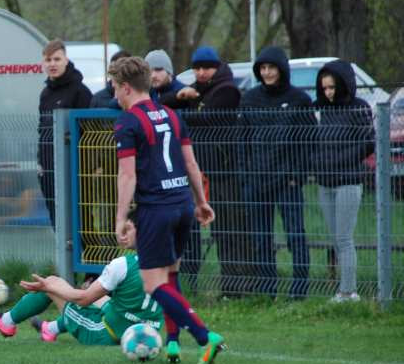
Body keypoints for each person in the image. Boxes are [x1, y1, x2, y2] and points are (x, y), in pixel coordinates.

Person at [110, 56, 224, 364]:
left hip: (156, 210)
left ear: (125, 88)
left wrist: (121, 218)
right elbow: (191, 164)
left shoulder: (128, 122)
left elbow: (128, 175)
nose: (114, 97)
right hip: (183, 204)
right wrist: (201, 202)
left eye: (115, 89)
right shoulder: (172, 116)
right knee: (171, 274)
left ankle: (206, 337)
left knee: (153, 284)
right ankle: (172, 343)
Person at [0, 221, 163, 348]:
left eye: (128, 228)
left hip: (104, 334)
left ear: (142, 231)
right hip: (144, 333)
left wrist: (52, 288)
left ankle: (6, 322)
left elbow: (83, 300)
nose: (123, 234)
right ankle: (49, 329)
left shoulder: (123, 264)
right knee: (98, 299)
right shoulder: (168, 262)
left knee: (53, 283)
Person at [160, 46, 248, 297]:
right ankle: (209, 285)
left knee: (229, 229)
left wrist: (185, 107)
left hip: (224, 169)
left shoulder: (226, 90)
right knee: (211, 230)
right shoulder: (200, 90)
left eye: (206, 68)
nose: (200, 72)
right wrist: (180, 98)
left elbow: (207, 117)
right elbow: (164, 103)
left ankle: (235, 286)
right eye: (196, 68)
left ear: (216, 67)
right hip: (202, 169)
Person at [241, 46, 314, 299]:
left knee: (295, 235)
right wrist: (246, 175)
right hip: (256, 180)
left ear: (281, 69)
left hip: (288, 181)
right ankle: (266, 289)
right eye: (263, 68)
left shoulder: (299, 100)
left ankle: (300, 289)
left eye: (271, 67)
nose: (267, 72)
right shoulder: (250, 99)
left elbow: (309, 141)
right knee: (261, 238)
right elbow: (242, 140)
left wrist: (298, 175)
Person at [314, 60, 374, 302]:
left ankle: (348, 292)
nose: (328, 92)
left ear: (343, 84)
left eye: (332, 87)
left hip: (348, 181)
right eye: (324, 88)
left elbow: (368, 142)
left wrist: (340, 160)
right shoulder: (322, 110)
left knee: (344, 238)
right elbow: (310, 142)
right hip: (325, 182)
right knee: (335, 238)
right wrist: (317, 164)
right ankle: (344, 290)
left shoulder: (359, 108)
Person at [38, 39, 92, 226]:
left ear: (66, 60)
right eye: (48, 60)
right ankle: (62, 254)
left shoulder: (80, 91)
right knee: (56, 216)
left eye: (57, 59)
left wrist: (89, 165)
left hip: (74, 166)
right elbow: (42, 130)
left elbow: (89, 131)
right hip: (48, 168)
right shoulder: (45, 94)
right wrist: (41, 162)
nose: (52, 64)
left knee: (78, 216)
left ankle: (84, 254)